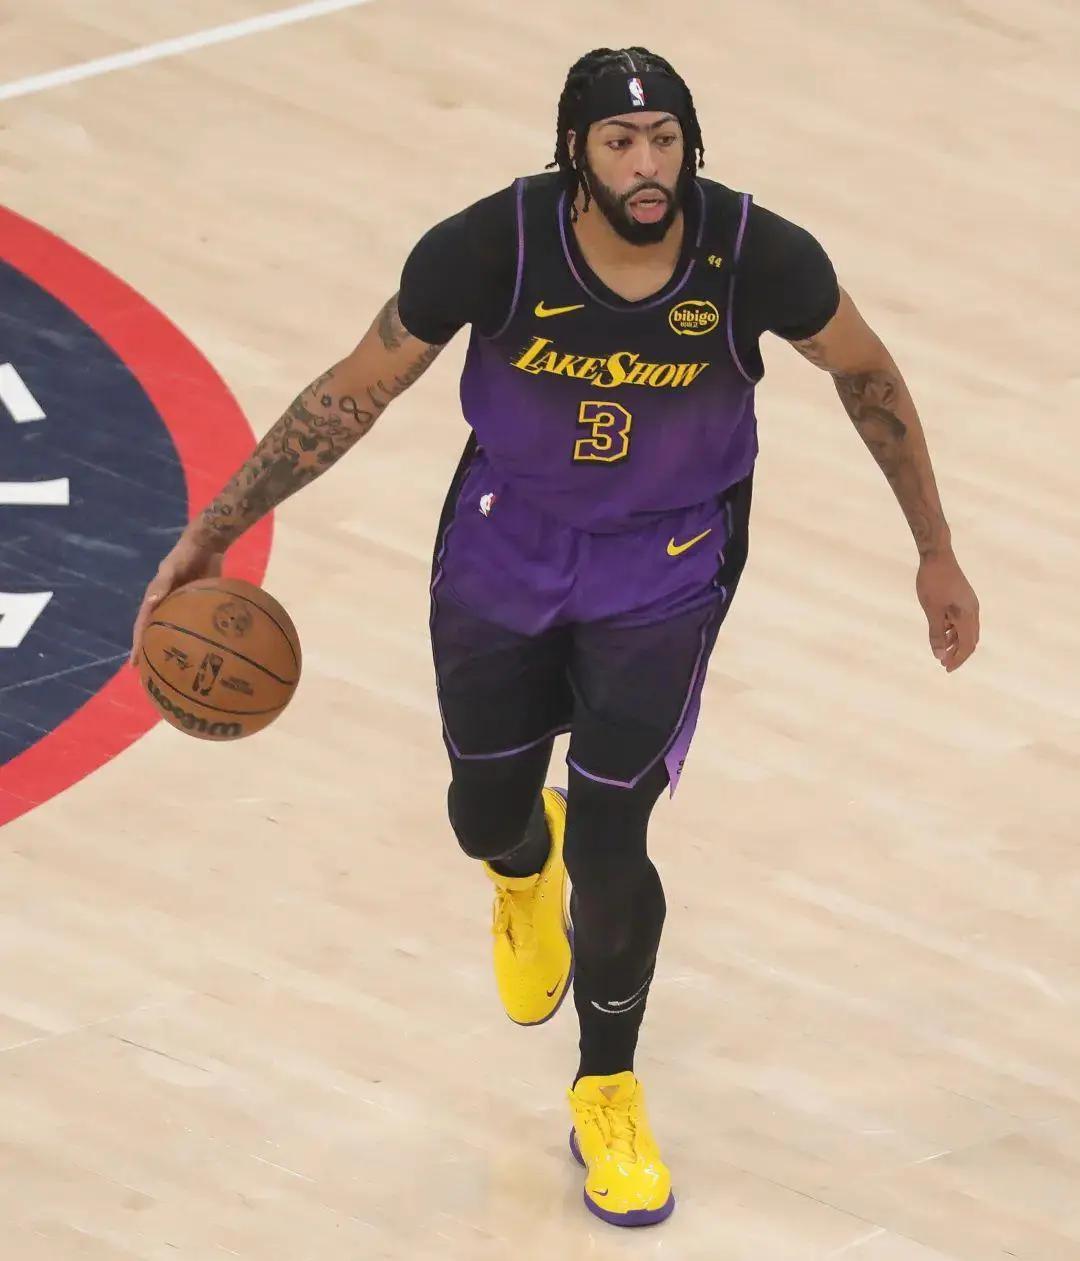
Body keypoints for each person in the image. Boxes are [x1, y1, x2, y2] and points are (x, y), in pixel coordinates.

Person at [131, 46, 980, 1229]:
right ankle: (520, 868)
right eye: (621, 143)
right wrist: (216, 529)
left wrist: (935, 548)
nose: (647, 165)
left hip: (666, 564)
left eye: (666, 140)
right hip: (507, 539)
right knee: (484, 810)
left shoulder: (755, 255)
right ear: (575, 153)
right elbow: (351, 393)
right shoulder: (493, 246)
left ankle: (607, 1088)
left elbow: (869, 378)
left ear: (691, 146)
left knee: (617, 835)